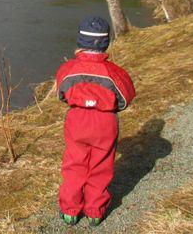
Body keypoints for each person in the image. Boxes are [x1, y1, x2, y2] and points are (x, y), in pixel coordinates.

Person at [55, 15, 135, 227]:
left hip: (77, 120)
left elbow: (61, 94)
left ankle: (70, 211)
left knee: (74, 165)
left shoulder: (69, 69)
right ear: (106, 42)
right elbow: (125, 99)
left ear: (80, 41)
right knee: (101, 166)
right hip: (105, 122)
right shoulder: (115, 73)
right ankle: (95, 213)